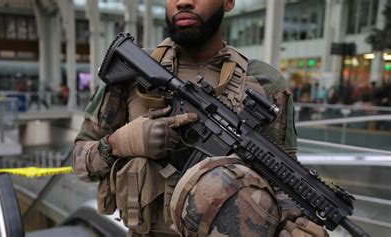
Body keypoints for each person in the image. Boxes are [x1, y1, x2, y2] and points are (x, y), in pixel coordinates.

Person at [73, 0, 328, 236]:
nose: (183, 1)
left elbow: (284, 181)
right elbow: (80, 163)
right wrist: (120, 143)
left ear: (228, 1)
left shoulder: (265, 84)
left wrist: (292, 224)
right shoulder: (135, 70)